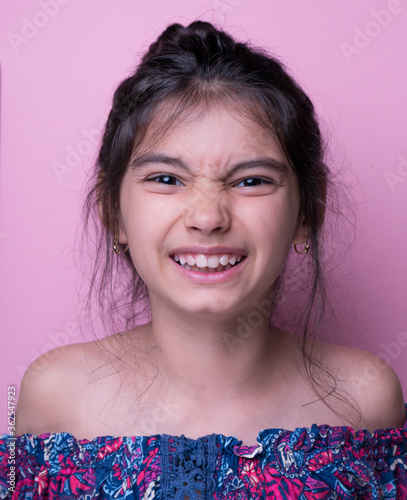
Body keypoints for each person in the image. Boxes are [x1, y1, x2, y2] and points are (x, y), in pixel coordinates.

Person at [1, 20, 406, 499]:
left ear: (306, 213)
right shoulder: (55, 398)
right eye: (167, 179)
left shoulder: (365, 399)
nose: (208, 217)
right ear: (114, 212)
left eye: (252, 180)